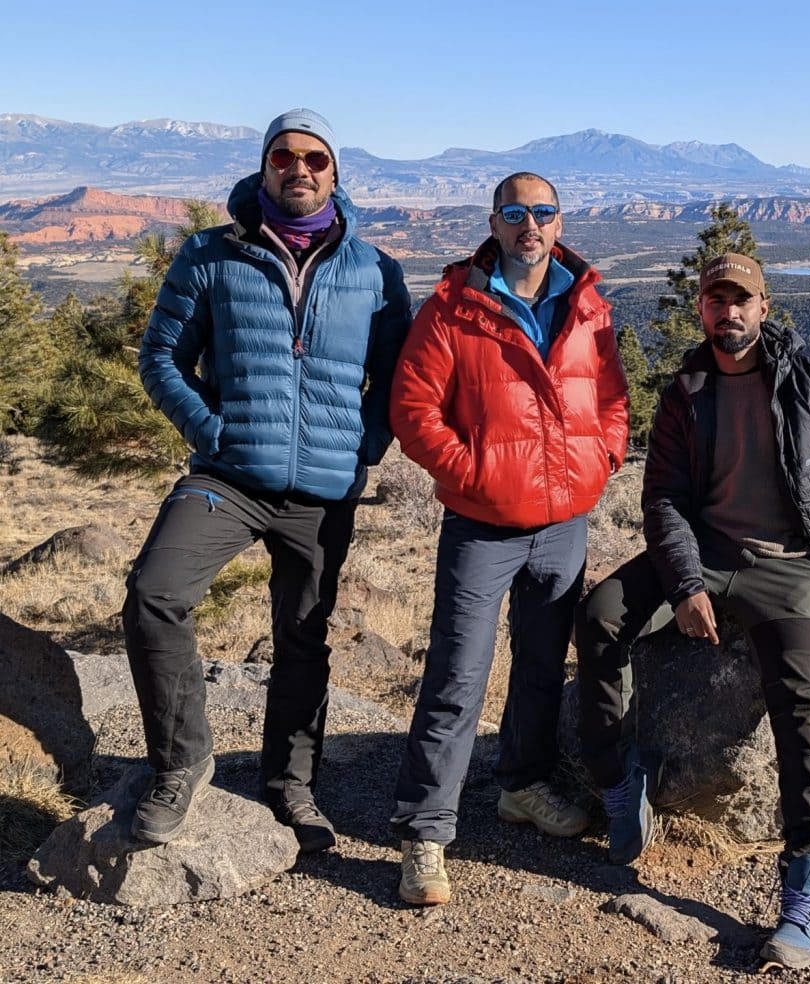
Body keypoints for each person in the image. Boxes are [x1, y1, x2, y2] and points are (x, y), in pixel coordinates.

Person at [574, 252, 810, 969]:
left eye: (741, 300)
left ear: (764, 307)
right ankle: (620, 781)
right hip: (705, 555)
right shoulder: (688, 387)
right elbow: (663, 499)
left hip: (791, 563)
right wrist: (685, 583)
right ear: (702, 311)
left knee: (803, 701)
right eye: (716, 301)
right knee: (599, 616)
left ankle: (808, 882)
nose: (729, 313)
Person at [123, 108, 411, 854]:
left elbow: (396, 378)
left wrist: (365, 449)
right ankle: (181, 765)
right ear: (264, 168)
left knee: (304, 637)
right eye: (284, 156)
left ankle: (291, 784)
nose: (300, 168)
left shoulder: (375, 270)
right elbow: (160, 358)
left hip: (324, 486)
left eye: (315, 157)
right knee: (156, 596)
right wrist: (209, 430)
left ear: (335, 173)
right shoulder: (211, 254)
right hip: (227, 476)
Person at [388, 172, 630, 905]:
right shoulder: (454, 310)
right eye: (517, 213)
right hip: (481, 526)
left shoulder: (587, 308)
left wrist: (601, 460)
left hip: (564, 525)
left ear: (559, 223)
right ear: (494, 223)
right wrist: (474, 474)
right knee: (457, 677)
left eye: (544, 213)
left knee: (538, 666)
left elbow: (613, 400)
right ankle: (425, 833)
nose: (531, 225)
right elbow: (411, 407)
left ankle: (521, 784)